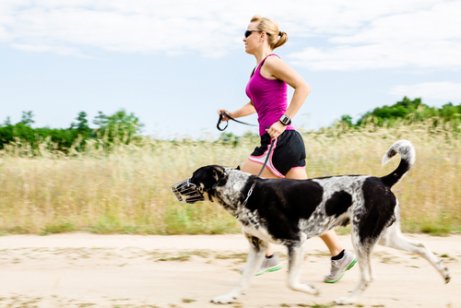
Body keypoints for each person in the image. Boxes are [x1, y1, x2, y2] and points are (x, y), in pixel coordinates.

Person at [218, 15, 356, 283]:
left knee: (238, 193)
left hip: (281, 143)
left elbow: (303, 87)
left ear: (261, 36)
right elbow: (257, 103)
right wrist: (231, 113)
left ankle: (267, 256)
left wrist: (283, 121)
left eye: (247, 33)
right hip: (280, 145)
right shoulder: (257, 69)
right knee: (307, 206)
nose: (243, 38)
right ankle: (339, 256)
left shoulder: (272, 62)